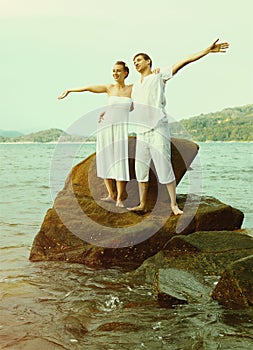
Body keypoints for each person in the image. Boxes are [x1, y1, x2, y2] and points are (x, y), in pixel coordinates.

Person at [129, 38, 229, 215]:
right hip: (141, 131)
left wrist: (207, 50)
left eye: (139, 60)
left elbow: (185, 61)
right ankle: (142, 204)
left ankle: (173, 205)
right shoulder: (136, 86)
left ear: (148, 61)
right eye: (134, 62)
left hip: (158, 127)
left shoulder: (159, 76)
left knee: (164, 164)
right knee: (141, 167)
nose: (136, 64)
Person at [58, 61, 133, 207]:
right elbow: (88, 88)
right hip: (105, 128)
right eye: (113, 71)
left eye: (118, 71)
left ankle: (120, 198)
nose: (115, 73)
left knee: (120, 160)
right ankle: (111, 195)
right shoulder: (109, 88)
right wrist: (70, 90)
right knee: (106, 159)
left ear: (125, 73)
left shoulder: (132, 89)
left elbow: (144, 92)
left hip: (120, 129)